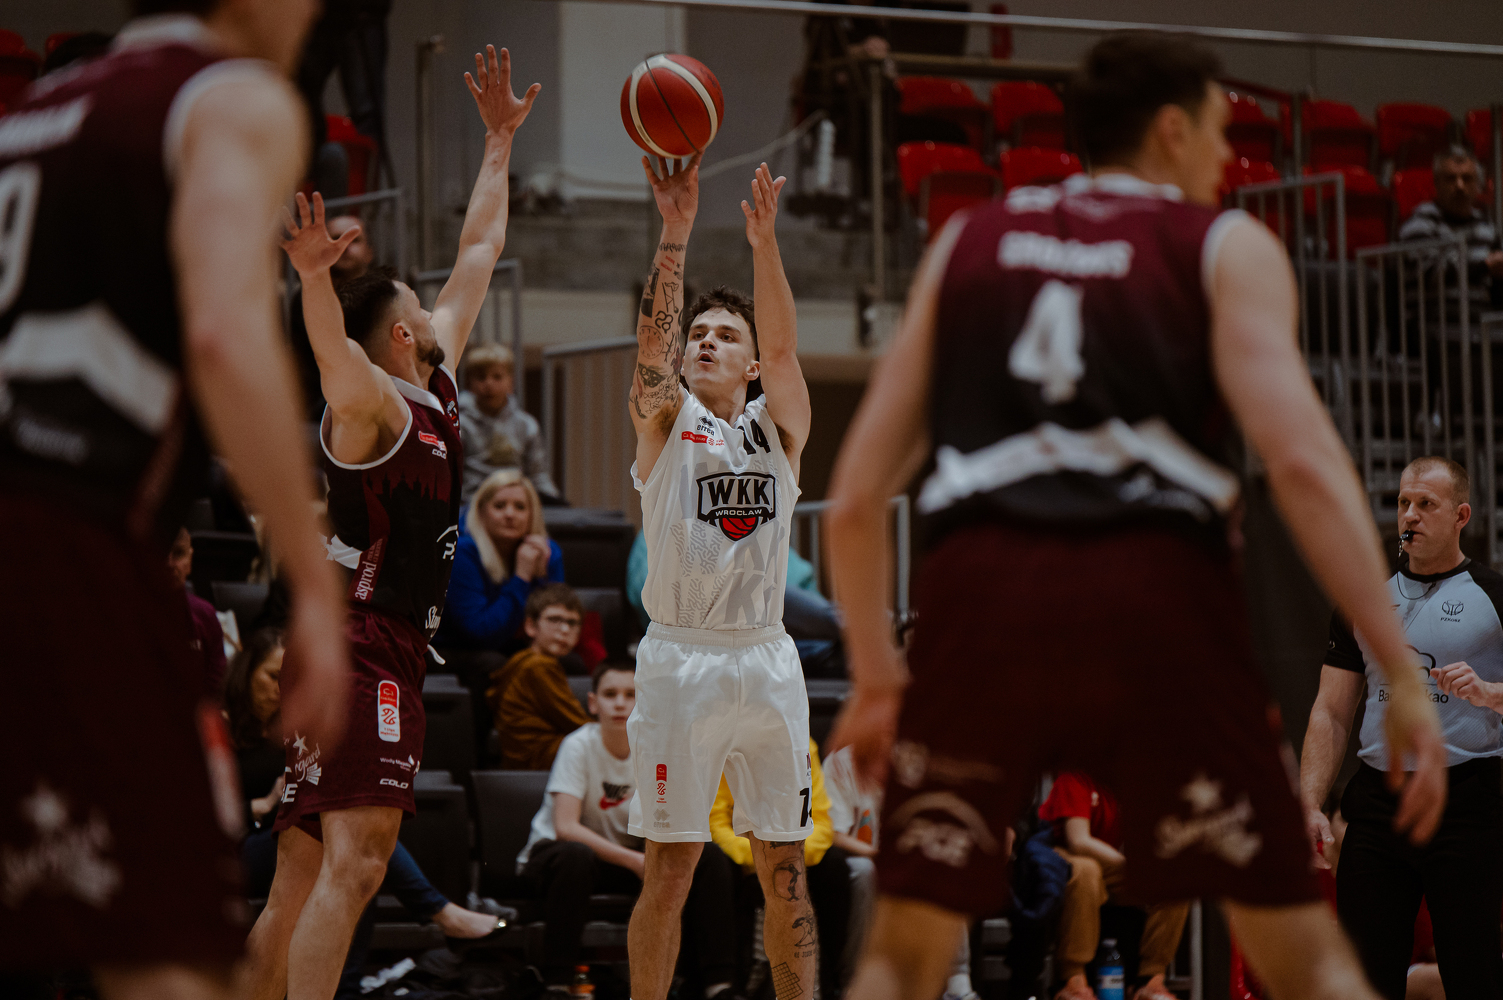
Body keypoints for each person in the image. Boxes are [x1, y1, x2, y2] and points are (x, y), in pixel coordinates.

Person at [824, 32, 1448, 1000]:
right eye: (1218, 130)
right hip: (1155, 608)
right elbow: (1303, 466)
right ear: (1170, 129)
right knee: (1301, 952)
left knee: (902, 956)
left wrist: (874, 677)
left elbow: (859, 495)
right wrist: (1396, 668)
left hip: (983, 608)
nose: (1226, 156)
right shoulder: (1223, 246)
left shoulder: (966, 240)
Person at [0, 1, 350, 996]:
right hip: (65, 538)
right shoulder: (228, 97)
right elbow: (224, 334)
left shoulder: (32, 114)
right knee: (172, 954)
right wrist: (313, 589)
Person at [243, 42, 538, 1000]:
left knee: (299, 876)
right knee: (360, 861)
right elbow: (331, 354)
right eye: (417, 303)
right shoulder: (369, 402)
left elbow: (480, 250)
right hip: (363, 642)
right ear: (402, 333)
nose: (434, 303)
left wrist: (498, 142)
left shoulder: (433, 382)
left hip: (368, 643)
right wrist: (314, 282)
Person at [624, 153, 815, 1000]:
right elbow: (651, 349)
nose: (705, 340)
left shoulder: (780, 430)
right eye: (697, 332)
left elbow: (786, 344)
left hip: (767, 658)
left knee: (785, 869)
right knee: (669, 870)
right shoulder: (666, 420)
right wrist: (675, 232)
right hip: (681, 657)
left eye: (724, 335)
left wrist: (763, 243)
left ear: (750, 366)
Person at [1301, 456, 1503, 1000]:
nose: (1409, 515)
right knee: (1366, 978)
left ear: (1461, 516)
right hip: (1378, 803)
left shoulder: (1494, 596)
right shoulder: (1363, 602)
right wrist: (1310, 800)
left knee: (1475, 976)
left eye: (1426, 504)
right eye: (1403, 503)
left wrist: (1490, 694)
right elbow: (1331, 711)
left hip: (1467, 803)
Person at [225, 630, 507, 991]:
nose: (281, 687)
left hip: (284, 829)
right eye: (271, 676)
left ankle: (347, 985)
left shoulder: (301, 722)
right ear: (246, 673)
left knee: (353, 864)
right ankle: (437, 911)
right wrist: (261, 805)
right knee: (354, 852)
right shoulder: (220, 725)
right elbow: (193, 811)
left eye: (287, 677)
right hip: (235, 847)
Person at [516, 663, 739, 996]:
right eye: (610, 694)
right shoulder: (577, 745)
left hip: (619, 859)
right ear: (593, 703)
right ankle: (557, 983)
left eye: (630, 695)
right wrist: (636, 862)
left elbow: (673, 819)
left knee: (706, 855)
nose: (620, 704)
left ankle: (717, 985)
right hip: (557, 860)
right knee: (575, 857)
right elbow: (566, 827)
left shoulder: (656, 749)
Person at [711, 740, 851, 1000]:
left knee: (835, 866)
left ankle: (830, 983)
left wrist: (789, 858)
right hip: (743, 854)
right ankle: (729, 984)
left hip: (793, 851)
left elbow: (821, 821)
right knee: (715, 863)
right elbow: (716, 822)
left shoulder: (803, 743)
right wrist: (761, 859)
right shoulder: (725, 739)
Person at [1040, 772, 1188, 1000]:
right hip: (1060, 857)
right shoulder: (1074, 776)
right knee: (1087, 870)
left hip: (1104, 863)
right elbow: (1078, 842)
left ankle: (1150, 981)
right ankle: (1072, 981)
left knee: (1174, 879)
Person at [440, 467, 564, 651]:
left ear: (532, 514)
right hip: (463, 649)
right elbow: (480, 633)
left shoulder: (547, 551)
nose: (510, 514)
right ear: (481, 512)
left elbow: (556, 626)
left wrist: (541, 579)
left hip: (518, 646)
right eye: (499, 506)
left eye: (520, 507)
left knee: (570, 662)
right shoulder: (463, 552)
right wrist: (522, 578)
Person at [487, 583, 593, 769]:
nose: (565, 629)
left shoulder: (523, 659)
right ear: (530, 626)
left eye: (572, 622)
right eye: (554, 619)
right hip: (538, 762)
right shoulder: (538, 666)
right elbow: (577, 725)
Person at [289, 213, 374, 420]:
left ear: (370, 252)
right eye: (336, 238)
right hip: (317, 413)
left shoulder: (388, 295)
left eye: (355, 240)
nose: (345, 246)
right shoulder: (303, 299)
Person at [1398, 146, 1503, 307]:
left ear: (1478, 185)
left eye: (1467, 178)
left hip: (1481, 318)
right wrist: (1484, 266)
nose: (1460, 186)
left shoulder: (1486, 228)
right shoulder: (1419, 224)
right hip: (1434, 319)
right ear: (1436, 183)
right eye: (1450, 179)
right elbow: (1429, 272)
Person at [459, 343, 560, 507]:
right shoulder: (458, 424)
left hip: (515, 502)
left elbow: (538, 475)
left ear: (510, 382)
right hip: (471, 504)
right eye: (481, 377)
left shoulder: (526, 425)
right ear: (470, 383)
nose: (489, 384)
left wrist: (555, 503)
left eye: (497, 377)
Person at [169, 525, 231, 696]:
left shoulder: (204, 614)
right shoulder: (122, 610)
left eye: (178, 554)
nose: (169, 564)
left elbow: (216, 686)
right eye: (159, 553)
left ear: (189, 561)